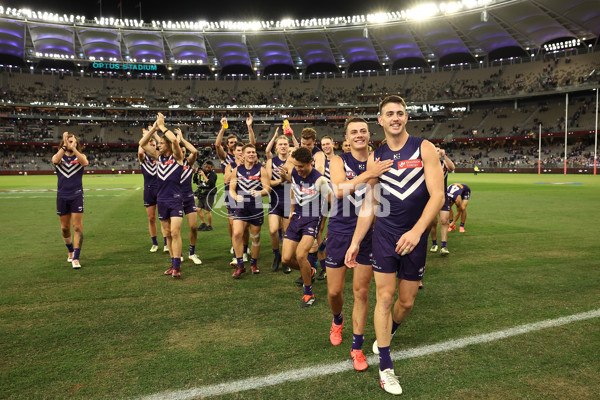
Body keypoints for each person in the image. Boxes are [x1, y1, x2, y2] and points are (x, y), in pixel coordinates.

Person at [345, 95, 444, 395]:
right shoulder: (378, 157)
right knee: (384, 299)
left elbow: (438, 196)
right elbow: (370, 205)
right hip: (385, 236)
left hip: (415, 237)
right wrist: (355, 241)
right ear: (381, 120)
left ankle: (388, 332)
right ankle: (386, 367)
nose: (395, 118)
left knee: (407, 302)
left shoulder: (424, 148)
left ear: (406, 117)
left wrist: (416, 232)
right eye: (389, 114)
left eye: (400, 113)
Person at [326, 117, 392, 371]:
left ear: (369, 133)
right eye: (354, 131)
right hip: (340, 230)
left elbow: (374, 196)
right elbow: (339, 190)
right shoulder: (338, 160)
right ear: (347, 137)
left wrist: (372, 172)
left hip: (369, 233)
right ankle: (337, 318)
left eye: (363, 130)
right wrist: (369, 173)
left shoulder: (378, 158)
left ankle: (357, 348)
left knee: (361, 292)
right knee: (334, 292)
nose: (359, 135)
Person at [281, 147, 330, 307]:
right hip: (297, 217)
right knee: (287, 259)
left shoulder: (320, 180)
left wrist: (324, 221)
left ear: (310, 163)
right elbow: (294, 190)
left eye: (301, 166)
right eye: (295, 166)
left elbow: (331, 200)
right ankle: (309, 271)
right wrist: (292, 210)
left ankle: (308, 293)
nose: (297, 169)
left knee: (301, 255)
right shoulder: (295, 173)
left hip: (312, 219)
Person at [140, 114, 185, 278]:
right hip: (162, 200)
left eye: (160, 143)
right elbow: (142, 143)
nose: (158, 145)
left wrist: (163, 126)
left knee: (175, 232)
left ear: (167, 144)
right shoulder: (158, 158)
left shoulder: (178, 157)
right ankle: (173, 265)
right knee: (167, 234)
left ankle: (178, 267)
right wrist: (154, 129)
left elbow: (174, 141)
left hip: (175, 200)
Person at [229, 144, 270, 278]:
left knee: (255, 237)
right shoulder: (237, 170)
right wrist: (235, 197)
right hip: (241, 206)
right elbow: (231, 189)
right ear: (244, 155)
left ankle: (254, 263)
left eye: (254, 152)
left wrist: (259, 192)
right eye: (249, 152)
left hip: (256, 205)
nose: (252, 154)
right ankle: (240, 265)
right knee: (237, 234)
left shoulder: (261, 170)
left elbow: (267, 189)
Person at [52, 131, 89, 269]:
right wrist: (64, 145)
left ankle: (76, 257)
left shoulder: (80, 157)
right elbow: (55, 161)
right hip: (62, 196)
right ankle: (70, 250)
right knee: (65, 228)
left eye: (73, 141)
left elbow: (85, 162)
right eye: (68, 140)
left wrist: (73, 148)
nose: (70, 142)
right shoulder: (59, 157)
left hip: (77, 195)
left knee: (77, 227)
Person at [265, 135, 293, 273]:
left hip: (289, 199)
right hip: (275, 199)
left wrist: (286, 178)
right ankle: (277, 255)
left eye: (285, 144)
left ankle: (285, 260)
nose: (283, 146)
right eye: (280, 144)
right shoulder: (271, 162)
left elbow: (296, 180)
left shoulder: (293, 161)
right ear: (276, 147)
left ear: (288, 146)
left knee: (287, 232)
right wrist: (281, 181)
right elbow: (268, 182)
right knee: (272, 230)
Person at [138, 128, 168, 253]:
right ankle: (155, 243)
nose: (152, 146)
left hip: (161, 189)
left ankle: (166, 242)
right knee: (151, 218)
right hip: (149, 190)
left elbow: (161, 144)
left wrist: (154, 135)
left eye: (154, 144)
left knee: (163, 218)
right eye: (149, 144)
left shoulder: (160, 157)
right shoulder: (143, 158)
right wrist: (146, 135)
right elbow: (141, 149)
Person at [177, 129, 202, 265]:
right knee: (177, 229)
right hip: (176, 199)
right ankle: (179, 253)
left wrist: (182, 140)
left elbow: (195, 152)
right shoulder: (173, 164)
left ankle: (192, 253)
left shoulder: (188, 163)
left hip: (188, 198)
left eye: (184, 151)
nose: (183, 153)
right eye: (180, 151)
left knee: (193, 226)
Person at [429, 147, 455, 255]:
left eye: (439, 150)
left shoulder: (444, 162)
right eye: (435, 150)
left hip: (443, 196)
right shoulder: (427, 164)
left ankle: (444, 246)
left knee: (444, 221)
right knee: (433, 222)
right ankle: (434, 243)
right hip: (430, 196)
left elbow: (452, 167)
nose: (438, 152)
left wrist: (444, 156)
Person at [194, 161, 217, 231]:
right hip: (203, 192)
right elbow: (195, 181)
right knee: (198, 209)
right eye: (206, 167)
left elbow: (209, 183)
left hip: (210, 193)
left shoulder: (213, 175)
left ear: (212, 167)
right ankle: (203, 223)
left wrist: (203, 175)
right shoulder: (202, 172)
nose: (207, 168)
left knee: (207, 211)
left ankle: (209, 226)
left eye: (209, 167)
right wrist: (195, 173)